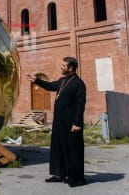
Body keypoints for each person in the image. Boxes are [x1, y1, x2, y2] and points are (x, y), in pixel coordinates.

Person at [26, 56, 87, 187]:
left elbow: (80, 105)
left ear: (70, 68)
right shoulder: (62, 81)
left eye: (64, 66)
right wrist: (36, 80)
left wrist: (77, 123)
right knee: (58, 147)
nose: (61, 67)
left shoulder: (78, 84)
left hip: (71, 122)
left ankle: (76, 178)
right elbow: (50, 86)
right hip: (59, 121)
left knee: (72, 150)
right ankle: (59, 174)